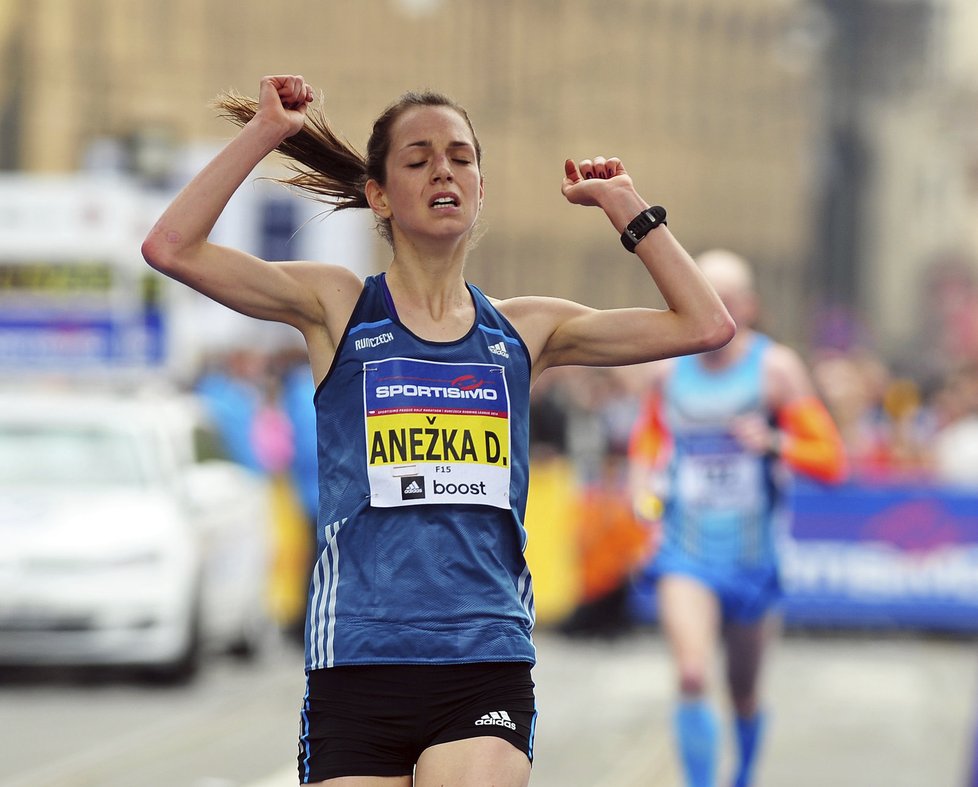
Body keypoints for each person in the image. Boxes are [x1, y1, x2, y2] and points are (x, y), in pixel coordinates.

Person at [142, 74, 735, 787]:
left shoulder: (524, 329)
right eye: (418, 160)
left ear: (481, 188)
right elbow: (171, 246)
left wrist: (626, 207)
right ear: (380, 196)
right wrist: (266, 132)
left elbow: (705, 324)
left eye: (460, 157)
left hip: (483, 656)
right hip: (358, 657)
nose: (444, 170)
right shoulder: (338, 307)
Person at [627, 249, 847, 787]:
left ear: (748, 306)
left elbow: (831, 461)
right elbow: (647, 441)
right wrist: (643, 502)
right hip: (687, 549)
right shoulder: (666, 370)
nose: (714, 312)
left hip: (753, 556)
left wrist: (774, 441)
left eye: (726, 301)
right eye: (702, 296)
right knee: (693, 674)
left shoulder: (776, 370)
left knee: (743, 691)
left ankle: (743, 774)